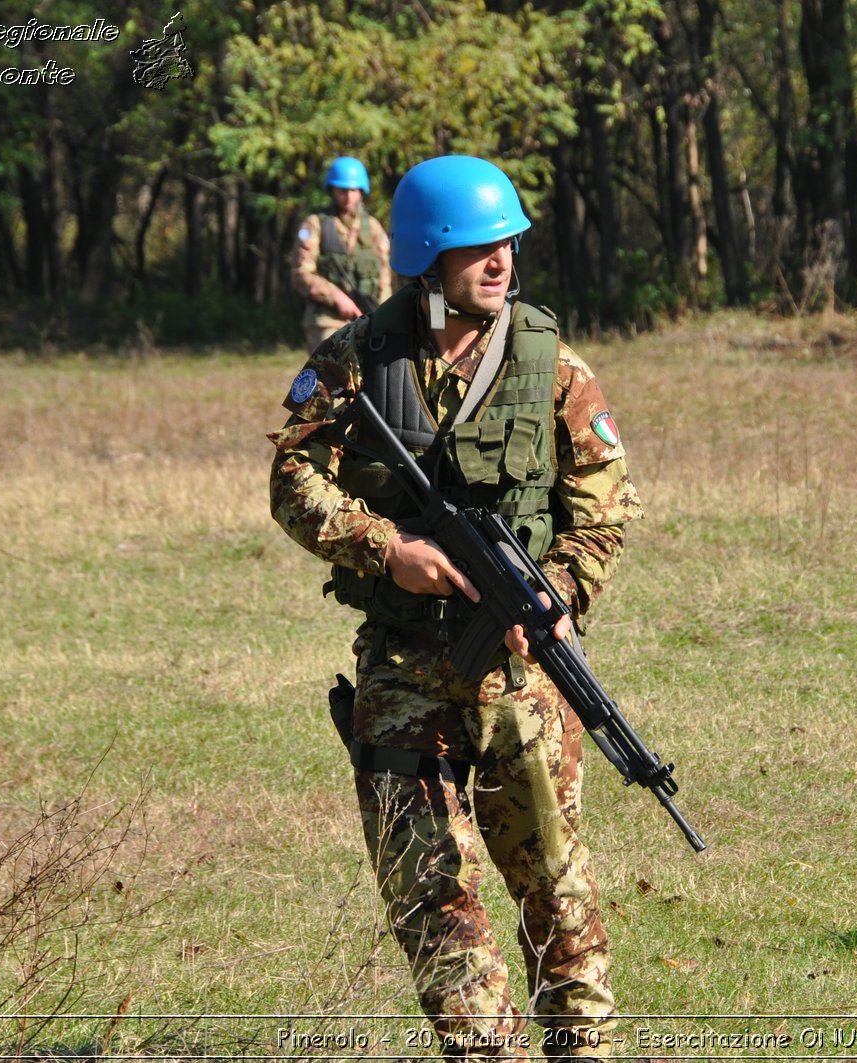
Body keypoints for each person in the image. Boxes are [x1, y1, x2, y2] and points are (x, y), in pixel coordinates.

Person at [268, 155, 641, 1059]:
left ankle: (583, 1049)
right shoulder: (359, 358)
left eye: (507, 241)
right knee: (427, 889)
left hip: (522, 675)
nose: (501, 260)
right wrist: (387, 550)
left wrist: (556, 593)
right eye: (479, 246)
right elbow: (292, 475)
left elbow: (606, 502)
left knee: (555, 884)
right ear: (430, 257)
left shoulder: (554, 366)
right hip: (401, 667)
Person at [294, 155, 394, 351]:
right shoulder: (316, 224)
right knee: (330, 374)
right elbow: (301, 273)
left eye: (353, 190)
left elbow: (384, 277)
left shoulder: (372, 228)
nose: (348, 196)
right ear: (332, 190)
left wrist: (384, 315)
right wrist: (337, 297)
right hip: (326, 319)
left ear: (361, 191)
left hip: (367, 317)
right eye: (342, 190)